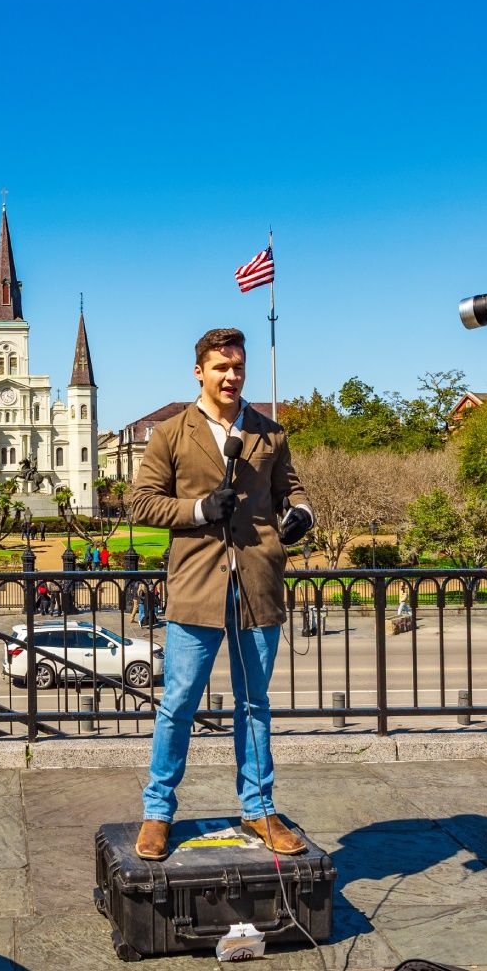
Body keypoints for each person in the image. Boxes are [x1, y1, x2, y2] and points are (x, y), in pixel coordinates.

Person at [128, 327, 313, 861]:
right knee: (179, 702)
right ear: (199, 372)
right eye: (221, 368)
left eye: (238, 367)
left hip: (257, 582)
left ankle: (259, 808)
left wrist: (301, 513)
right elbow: (142, 503)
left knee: (255, 704)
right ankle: (158, 811)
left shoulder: (269, 434)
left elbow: (291, 490)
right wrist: (199, 510)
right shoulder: (170, 434)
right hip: (196, 584)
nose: (231, 377)